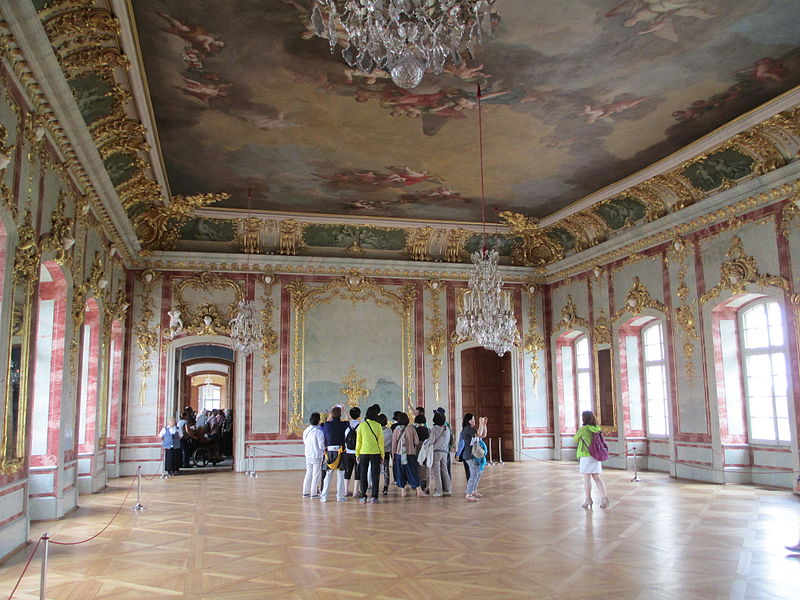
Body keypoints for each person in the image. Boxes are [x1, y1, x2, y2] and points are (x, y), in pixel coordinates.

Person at [573, 410, 609, 509]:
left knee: (586, 478)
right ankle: (604, 498)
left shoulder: (583, 429)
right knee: (597, 478)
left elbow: (575, 439)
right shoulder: (597, 428)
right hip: (596, 455)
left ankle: (588, 499)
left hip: (586, 455)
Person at [391, 412, 426, 497]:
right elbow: (417, 441)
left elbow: (394, 444)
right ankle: (419, 490)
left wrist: (393, 455)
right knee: (412, 472)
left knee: (400, 472)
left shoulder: (396, 429)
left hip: (399, 454)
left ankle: (403, 491)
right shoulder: (411, 428)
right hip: (410, 454)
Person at [356, 404, 384, 504]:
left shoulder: (361, 425)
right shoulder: (378, 426)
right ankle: (374, 497)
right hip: (375, 453)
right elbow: (381, 442)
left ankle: (363, 496)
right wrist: (382, 455)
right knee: (375, 475)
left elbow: (358, 441)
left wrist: (357, 454)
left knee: (363, 474)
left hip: (363, 452)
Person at [320, 406, 349, 502]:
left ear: (331, 415)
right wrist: (345, 410)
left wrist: (330, 412)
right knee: (341, 475)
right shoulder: (343, 424)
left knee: (328, 475)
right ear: (340, 415)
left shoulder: (327, 424)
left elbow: (325, 423)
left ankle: (324, 496)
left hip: (330, 451)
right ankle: (340, 496)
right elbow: (349, 420)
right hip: (341, 451)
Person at [458, 413, 487, 502]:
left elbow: (483, 435)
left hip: (475, 455)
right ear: (468, 421)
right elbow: (478, 434)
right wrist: (481, 423)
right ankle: (469, 494)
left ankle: (474, 490)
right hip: (469, 455)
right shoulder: (467, 429)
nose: (474, 421)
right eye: (472, 419)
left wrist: (484, 424)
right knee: (473, 474)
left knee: (478, 473)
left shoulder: (471, 429)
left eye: (474, 419)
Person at [302, 413, 325, 497]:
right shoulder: (319, 432)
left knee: (308, 473)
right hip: (316, 455)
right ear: (318, 420)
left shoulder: (306, 430)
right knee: (316, 475)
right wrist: (324, 450)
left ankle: (306, 491)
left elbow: (304, 441)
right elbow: (321, 445)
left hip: (308, 454)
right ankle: (314, 492)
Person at [429, 411, 451, 497]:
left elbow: (431, 441)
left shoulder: (435, 429)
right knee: (445, 471)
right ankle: (448, 489)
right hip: (445, 452)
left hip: (437, 452)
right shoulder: (447, 428)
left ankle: (439, 491)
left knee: (437, 472)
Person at [342, 407, 361, 497]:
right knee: (358, 471)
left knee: (347, 471)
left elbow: (344, 438)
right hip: (357, 452)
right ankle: (355, 492)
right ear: (359, 415)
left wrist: (345, 411)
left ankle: (346, 490)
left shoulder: (347, 426)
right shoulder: (361, 425)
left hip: (348, 452)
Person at [414, 414, 430, 492]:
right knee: (426, 466)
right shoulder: (427, 430)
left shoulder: (415, 430)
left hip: (418, 448)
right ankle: (426, 483)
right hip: (426, 448)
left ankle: (421, 482)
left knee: (419, 465)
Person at [379, 413, 392, 495]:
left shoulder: (377, 431)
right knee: (386, 470)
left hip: (378, 452)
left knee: (376, 470)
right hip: (386, 452)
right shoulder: (390, 431)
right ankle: (386, 486)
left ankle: (375, 485)